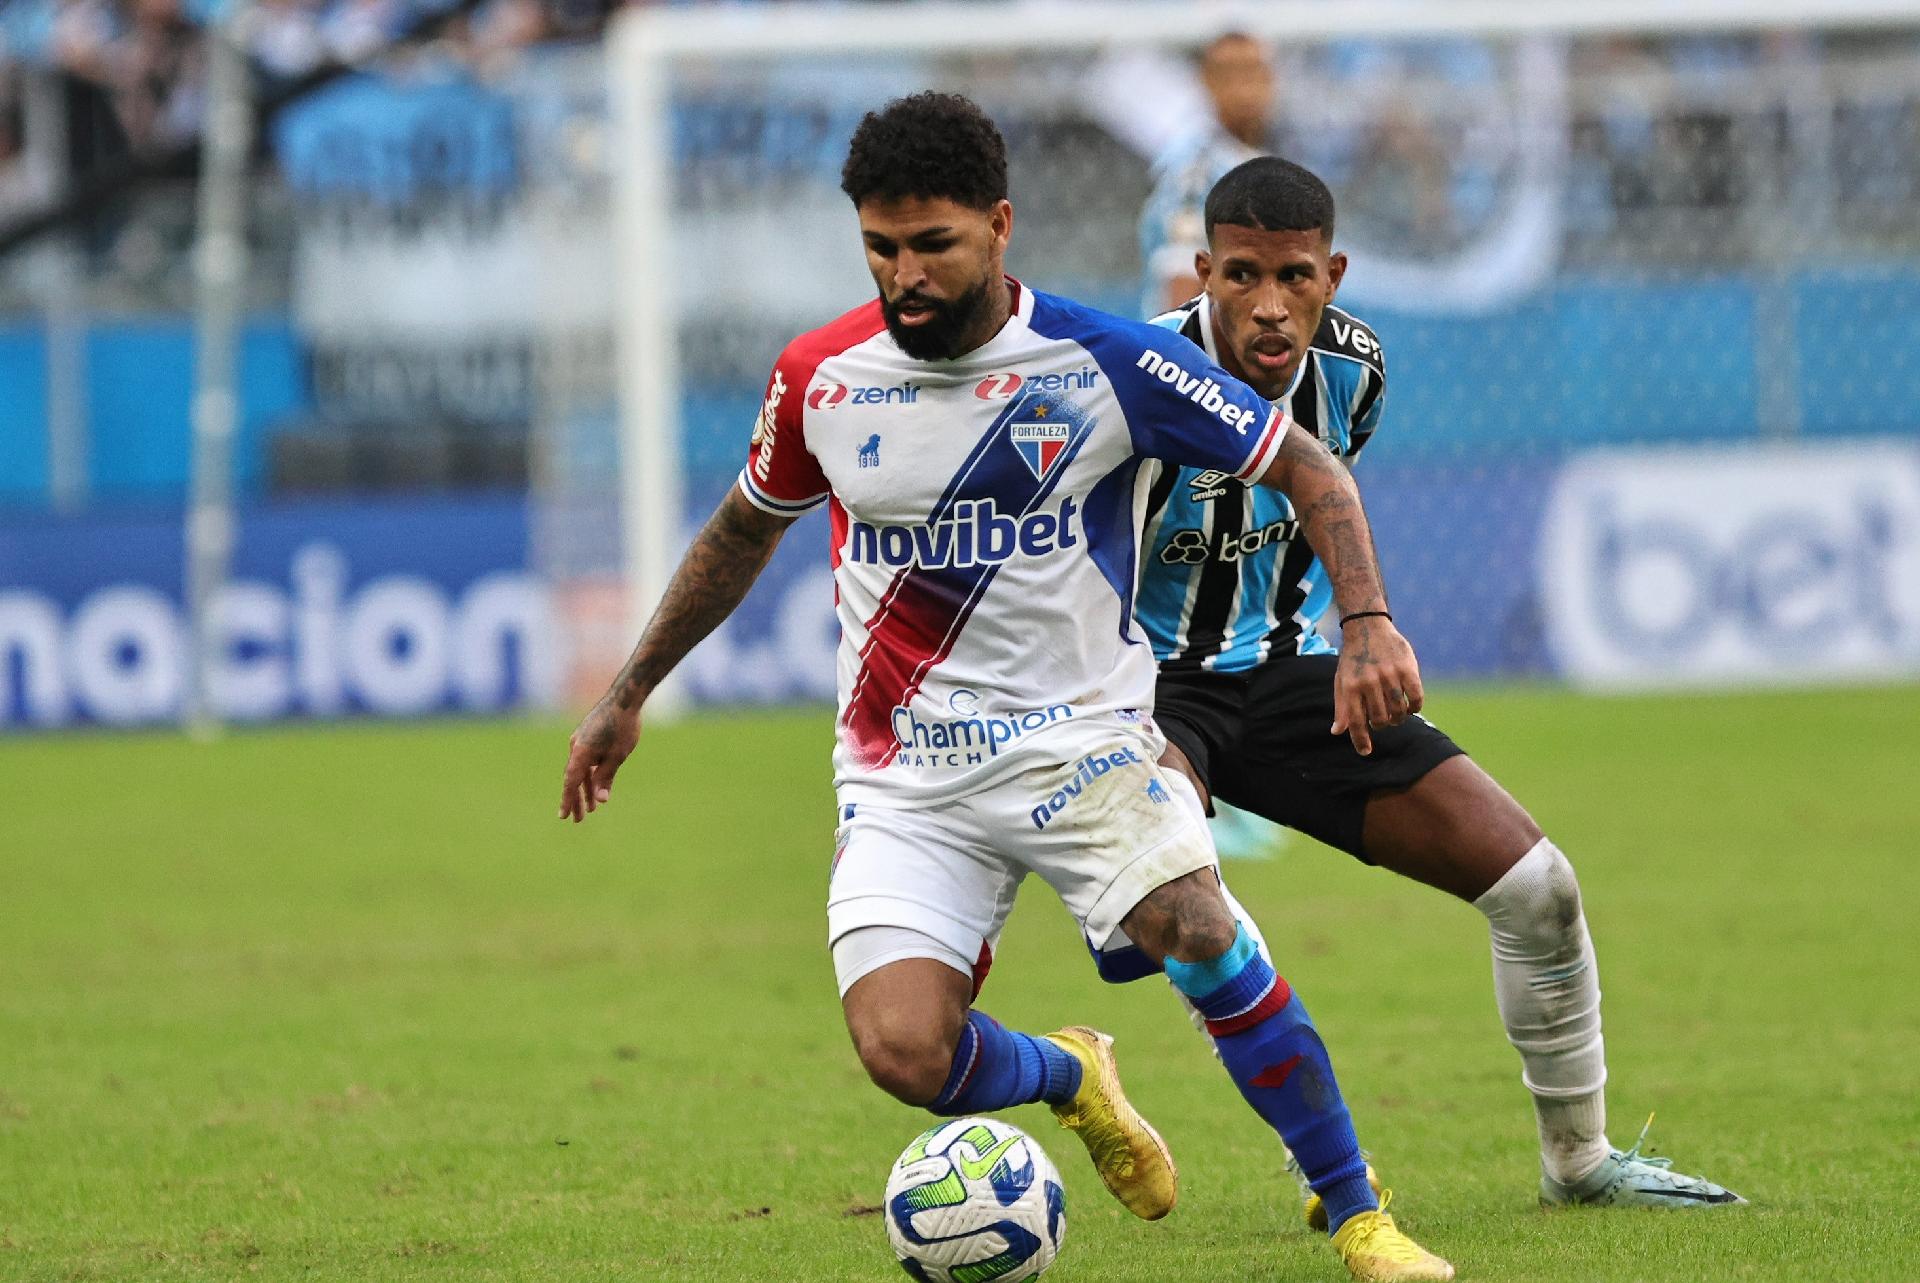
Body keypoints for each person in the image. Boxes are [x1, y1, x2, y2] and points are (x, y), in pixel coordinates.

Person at [558, 93, 1455, 1281]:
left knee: (1196, 925)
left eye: (935, 245)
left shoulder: (1109, 362)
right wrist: (629, 691)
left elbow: (1307, 469)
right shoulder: (822, 376)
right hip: (905, 776)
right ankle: (1070, 1073)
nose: (906, 275)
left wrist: (1366, 621)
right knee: (902, 1052)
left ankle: (1357, 1214)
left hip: (1079, 741)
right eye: (881, 247)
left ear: (1000, 224)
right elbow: (739, 529)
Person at [1129, 155, 1744, 1211]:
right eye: (1240, 277)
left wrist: (1357, 632)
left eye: (1295, 277)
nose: (1269, 307)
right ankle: (1324, 1150)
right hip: (1141, 689)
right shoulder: (1133, 381)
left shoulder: (1358, 371)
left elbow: (1319, 502)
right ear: (1201, 274)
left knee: (1537, 884)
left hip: (1288, 675)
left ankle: (1581, 1161)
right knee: (1196, 906)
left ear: (1335, 274)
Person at [1138, 30, 1274, 318]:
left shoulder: (1263, 163)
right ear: (1206, 82)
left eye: (1253, 70)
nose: (1245, 85)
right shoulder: (1197, 172)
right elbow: (1180, 284)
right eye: (1230, 73)